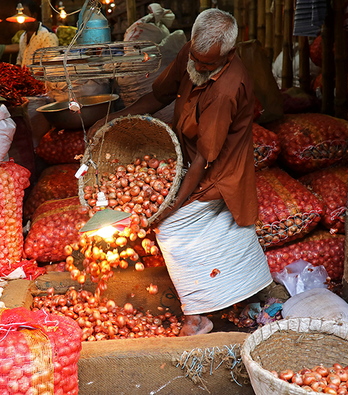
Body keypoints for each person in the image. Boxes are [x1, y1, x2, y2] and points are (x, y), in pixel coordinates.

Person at [89, 8, 273, 336]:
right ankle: (244, 290)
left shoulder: (226, 90)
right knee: (201, 226)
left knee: (173, 228)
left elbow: (205, 159)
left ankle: (198, 316)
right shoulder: (193, 53)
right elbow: (159, 95)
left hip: (219, 166)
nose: (198, 68)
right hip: (185, 156)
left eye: (207, 65)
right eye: (196, 59)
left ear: (228, 54)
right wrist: (113, 120)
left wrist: (174, 205)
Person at [15, 0, 58, 68]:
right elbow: (20, 60)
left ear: (34, 16)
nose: (22, 21)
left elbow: (52, 64)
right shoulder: (22, 37)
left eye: (25, 16)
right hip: (25, 78)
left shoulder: (47, 35)